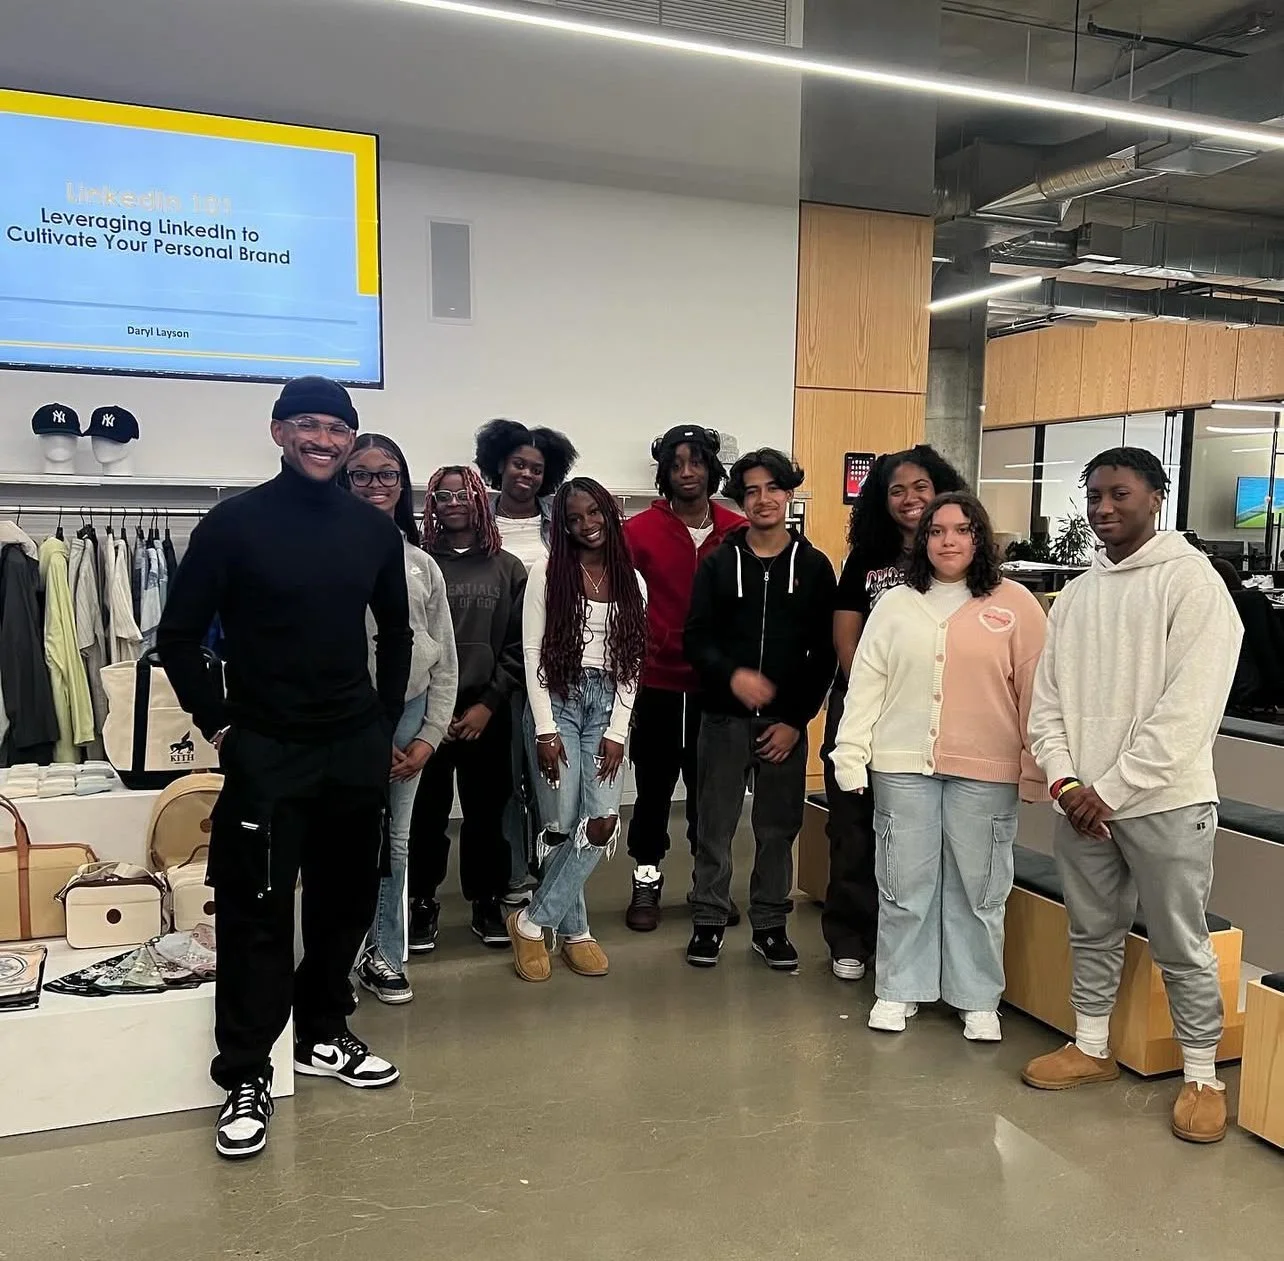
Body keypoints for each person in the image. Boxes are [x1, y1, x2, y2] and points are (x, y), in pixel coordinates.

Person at [156, 377, 413, 1161]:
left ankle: (323, 1029)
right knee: (257, 910)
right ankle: (243, 1071)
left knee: (343, 902)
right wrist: (222, 725)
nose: (324, 440)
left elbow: (398, 632)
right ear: (277, 432)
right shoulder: (234, 525)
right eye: (307, 425)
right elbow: (178, 636)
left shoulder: (372, 532)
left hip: (351, 750)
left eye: (337, 428)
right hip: (265, 749)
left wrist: (379, 718)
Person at [1024, 448, 1242, 1145]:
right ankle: (1091, 1046)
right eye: (1092, 495)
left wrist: (1109, 790)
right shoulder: (1081, 594)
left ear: (1156, 496)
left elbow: (1189, 710)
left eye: (1119, 493)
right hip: (1083, 804)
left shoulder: (1193, 585)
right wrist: (1066, 782)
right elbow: (1046, 702)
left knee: (1182, 941)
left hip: (1165, 802)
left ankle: (1204, 1076)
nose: (1102, 508)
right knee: (1091, 929)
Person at [830, 493, 1046, 1039]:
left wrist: (1037, 765)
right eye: (937, 531)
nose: (949, 540)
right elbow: (867, 684)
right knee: (904, 883)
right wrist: (850, 753)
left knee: (980, 888)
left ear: (980, 538)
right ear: (923, 540)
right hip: (901, 765)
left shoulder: (1016, 603)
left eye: (962, 529)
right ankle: (899, 987)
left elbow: (1038, 692)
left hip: (986, 768)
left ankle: (977, 997)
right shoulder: (896, 603)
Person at [683, 449, 836, 970]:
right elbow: (696, 639)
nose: (763, 499)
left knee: (778, 829)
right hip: (723, 720)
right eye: (751, 490)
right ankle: (708, 920)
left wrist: (796, 720)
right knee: (714, 825)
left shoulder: (814, 568)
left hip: (784, 727)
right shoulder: (718, 563)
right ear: (740, 499)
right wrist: (732, 675)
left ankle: (770, 925)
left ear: (789, 493)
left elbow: (825, 653)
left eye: (772, 487)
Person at [823, 446, 965, 982]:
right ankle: (851, 939)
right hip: (863, 711)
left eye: (921, 487)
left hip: (932, 718)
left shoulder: (958, 558)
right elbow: (846, 632)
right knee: (854, 830)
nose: (910, 499)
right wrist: (868, 699)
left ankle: (914, 944)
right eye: (896, 490)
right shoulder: (866, 557)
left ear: (942, 491)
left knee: (921, 835)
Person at [508, 478, 647, 982]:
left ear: (611, 514)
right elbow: (531, 653)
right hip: (558, 701)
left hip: (607, 706)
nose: (587, 525)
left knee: (602, 821)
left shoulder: (633, 580)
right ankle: (576, 931)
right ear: (561, 527)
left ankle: (530, 921)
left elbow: (631, 658)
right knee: (563, 823)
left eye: (595, 513)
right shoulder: (548, 573)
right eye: (574, 518)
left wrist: (618, 729)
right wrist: (545, 729)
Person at [341, 435, 458, 1005]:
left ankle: (384, 954)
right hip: (343, 721)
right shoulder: (324, 557)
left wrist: (429, 738)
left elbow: (444, 661)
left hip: (408, 720)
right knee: (341, 841)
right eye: (361, 475)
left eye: (387, 475)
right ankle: (336, 952)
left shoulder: (422, 565)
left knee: (396, 842)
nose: (375, 486)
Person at [622, 425, 741, 931]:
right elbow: (622, 605)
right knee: (652, 789)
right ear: (664, 473)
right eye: (677, 464)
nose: (687, 472)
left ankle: (706, 882)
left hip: (716, 685)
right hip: (658, 681)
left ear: (713, 468)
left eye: (696, 462)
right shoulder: (637, 532)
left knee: (709, 791)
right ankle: (646, 880)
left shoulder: (737, 529)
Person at [407, 466, 527, 953]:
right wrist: (433, 708)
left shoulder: (508, 567)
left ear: (479, 499)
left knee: (486, 815)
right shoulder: (416, 563)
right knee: (424, 815)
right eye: (442, 495)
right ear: (431, 503)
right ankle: (420, 902)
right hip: (426, 713)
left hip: (486, 712)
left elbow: (519, 646)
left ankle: (487, 900)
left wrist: (488, 703)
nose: (452, 502)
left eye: (462, 494)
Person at [473, 417, 579, 897]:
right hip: (494, 668)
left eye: (537, 468)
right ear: (500, 464)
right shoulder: (479, 520)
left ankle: (551, 868)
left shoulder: (560, 525)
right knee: (501, 781)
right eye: (519, 464)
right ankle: (513, 873)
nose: (527, 475)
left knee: (548, 774)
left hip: (551, 667)